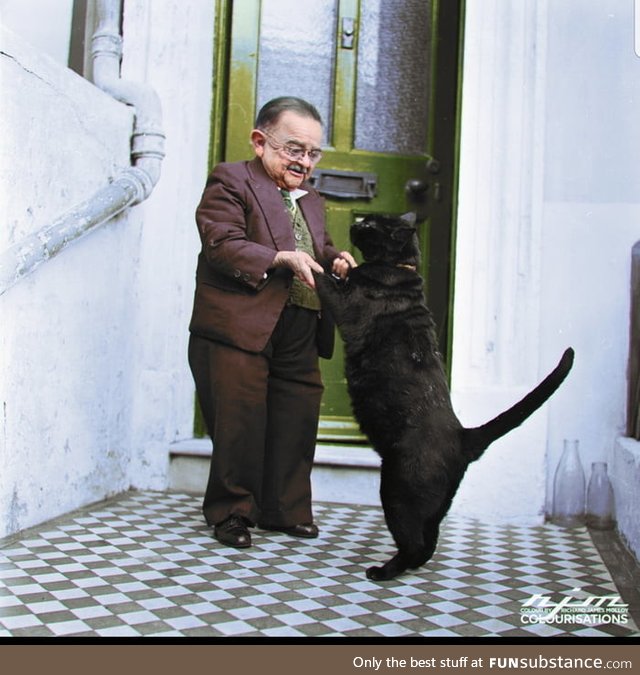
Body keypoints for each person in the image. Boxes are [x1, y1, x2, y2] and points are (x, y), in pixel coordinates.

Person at [188, 97, 356, 549]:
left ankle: (285, 510)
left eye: (313, 153)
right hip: (240, 324)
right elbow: (222, 243)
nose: (304, 161)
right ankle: (232, 512)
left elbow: (315, 246)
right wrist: (277, 258)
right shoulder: (232, 180)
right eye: (293, 149)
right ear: (260, 142)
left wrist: (335, 259)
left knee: (295, 417)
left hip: (300, 322)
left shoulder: (312, 200)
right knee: (240, 419)